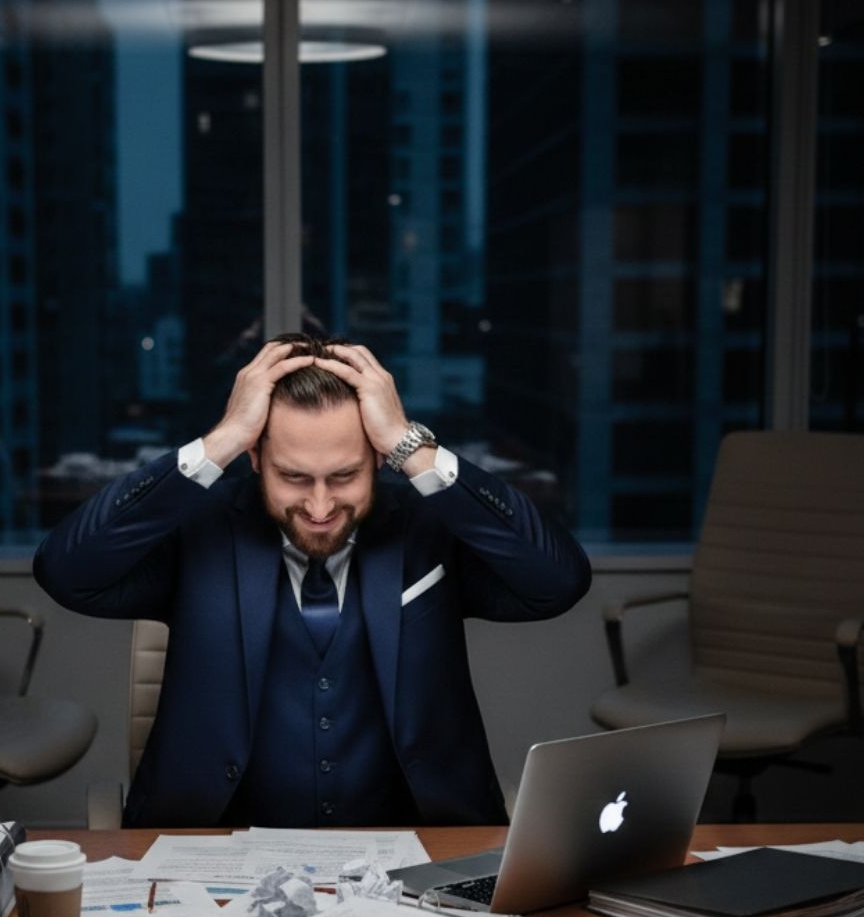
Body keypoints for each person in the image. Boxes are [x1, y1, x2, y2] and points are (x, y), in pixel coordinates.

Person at [33, 336, 591, 828]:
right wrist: (221, 438)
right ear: (255, 457)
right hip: (217, 846)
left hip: (414, 843)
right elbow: (66, 571)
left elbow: (557, 582)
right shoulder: (200, 530)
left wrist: (409, 442)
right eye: (294, 477)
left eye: (344, 476)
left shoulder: (426, 526)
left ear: (378, 456)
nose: (320, 506)